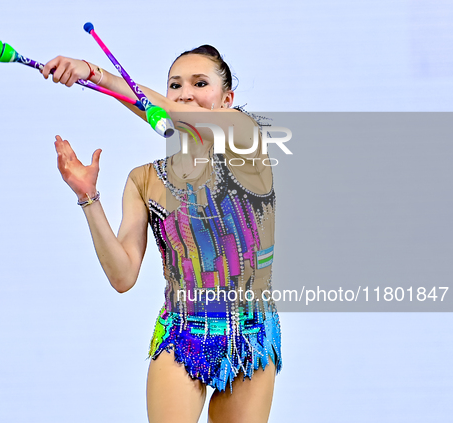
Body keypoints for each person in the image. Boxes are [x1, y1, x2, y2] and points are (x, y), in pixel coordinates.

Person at [41, 45, 282, 423]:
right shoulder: (144, 180)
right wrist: (89, 198)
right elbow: (122, 276)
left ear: (227, 99)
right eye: (175, 85)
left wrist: (93, 72)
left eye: (200, 83)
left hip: (249, 334)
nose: (185, 93)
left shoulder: (245, 138)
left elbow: (181, 118)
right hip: (181, 333)